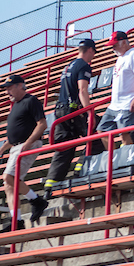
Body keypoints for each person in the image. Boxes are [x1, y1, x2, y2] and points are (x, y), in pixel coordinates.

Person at [40, 39, 94, 202]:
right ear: (90, 50)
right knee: (98, 134)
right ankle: (81, 169)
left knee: (64, 147)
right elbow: (82, 90)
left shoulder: (68, 66)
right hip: (73, 110)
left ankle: (50, 186)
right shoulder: (84, 66)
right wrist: (89, 112)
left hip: (60, 110)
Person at [0, 75, 47, 229]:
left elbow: (42, 124)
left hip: (27, 145)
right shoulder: (15, 105)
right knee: (8, 185)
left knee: (9, 177)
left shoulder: (31, 100)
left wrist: (29, 143)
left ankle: (36, 200)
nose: (7, 92)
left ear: (19, 86)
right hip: (16, 146)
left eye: (9, 88)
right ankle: (16, 221)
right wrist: (2, 149)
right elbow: (14, 135)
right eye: (6, 89)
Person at [97, 32, 134, 147]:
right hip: (115, 105)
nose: (113, 48)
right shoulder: (120, 58)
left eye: (115, 45)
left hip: (128, 103)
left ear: (124, 42)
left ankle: (127, 159)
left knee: (123, 133)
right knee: (102, 130)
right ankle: (113, 158)